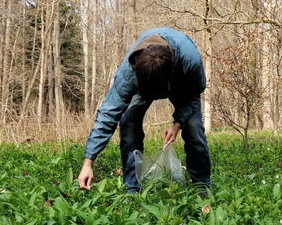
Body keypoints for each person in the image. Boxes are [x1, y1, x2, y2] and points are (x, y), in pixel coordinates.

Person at [77, 27, 211, 193]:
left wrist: (178, 123)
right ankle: (132, 188)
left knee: (193, 127)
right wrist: (88, 162)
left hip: (181, 86)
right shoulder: (128, 73)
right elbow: (108, 114)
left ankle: (202, 186)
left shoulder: (190, 61)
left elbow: (194, 93)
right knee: (128, 122)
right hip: (144, 82)